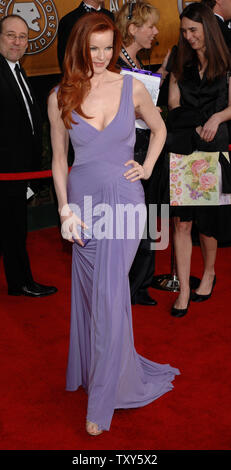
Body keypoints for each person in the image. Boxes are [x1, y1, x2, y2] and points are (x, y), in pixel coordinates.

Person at [48, 12, 179, 435]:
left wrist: (146, 166)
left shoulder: (132, 86)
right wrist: (65, 210)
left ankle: (100, 403)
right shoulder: (60, 96)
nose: (102, 56)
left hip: (124, 201)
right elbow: (58, 160)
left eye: (108, 47)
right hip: (83, 204)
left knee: (109, 294)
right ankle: (101, 369)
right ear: (79, 50)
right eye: (93, 48)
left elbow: (159, 130)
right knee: (90, 295)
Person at [167, 2, 231, 317]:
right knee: (182, 223)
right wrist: (192, 122)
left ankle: (208, 273)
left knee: (208, 225)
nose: (188, 37)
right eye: (184, 31)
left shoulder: (227, 60)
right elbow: (173, 103)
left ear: (208, 27)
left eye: (193, 30)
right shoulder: (181, 61)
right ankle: (183, 290)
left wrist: (218, 117)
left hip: (213, 150)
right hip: (183, 148)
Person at [115, 1, 169, 306]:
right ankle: (129, 283)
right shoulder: (114, 65)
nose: (156, 32)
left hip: (149, 150)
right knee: (132, 220)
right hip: (131, 152)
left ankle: (142, 283)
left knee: (153, 218)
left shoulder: (136, 64)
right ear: (132, 29)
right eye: (150, 26)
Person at [0, 15, 57, 297]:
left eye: (23, 37)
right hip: (6, 172)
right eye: (11, 35)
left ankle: (19, 281)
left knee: (15, 230)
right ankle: (22, 282)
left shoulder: (17, 70)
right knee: (13, 230)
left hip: (21, 171)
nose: (18, 42)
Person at [57, 0, 114, 69]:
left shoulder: (110, 16)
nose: (101, 57)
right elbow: (65, 59)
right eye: (93, 48)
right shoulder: (69, 20)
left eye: (108, 48)